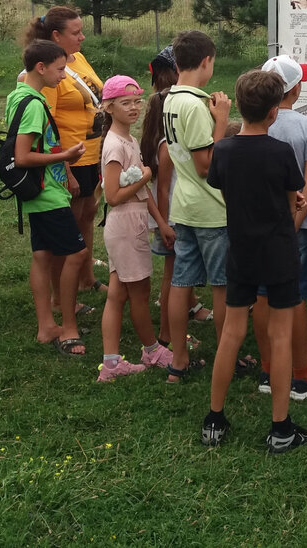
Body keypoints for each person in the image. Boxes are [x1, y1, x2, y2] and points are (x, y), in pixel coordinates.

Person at [202, 70, 307, 453]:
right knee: (279, 336)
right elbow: (288, 198)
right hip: (279, 252)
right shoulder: (281, 152)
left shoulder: (226, 150)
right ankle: (280, 427)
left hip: (241, 251)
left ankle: (214, 418)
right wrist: (295, 200)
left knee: (232, 332)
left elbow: (221, 180)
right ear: (273, 113)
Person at [6, 40, 90, 356]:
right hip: (46, 194)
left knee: (42, 256)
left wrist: (64, 166)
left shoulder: (20, 96)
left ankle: (46, 327)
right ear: (41, 68)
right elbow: (23, 156)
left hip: (42, 191)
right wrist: (65, 157)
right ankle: (68, 326)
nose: (64, 75)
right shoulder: (33, 104)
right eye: (59, 69)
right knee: (77, 254)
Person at [22, 8, 107, 310]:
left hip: (92, 154)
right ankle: (60, 296)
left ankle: (85, 278)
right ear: (56, 36)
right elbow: (50, 124)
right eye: (76, 32)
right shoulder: (53, 73)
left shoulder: (78, 59)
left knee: (86, 216)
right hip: (70, 160)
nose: (82, 37)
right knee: (67, 230)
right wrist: (66, 170)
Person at [260, 55, 307, 401]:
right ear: (297, 88)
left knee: (261, 294)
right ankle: (302, 375)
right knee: (295, 296)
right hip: (297, 228)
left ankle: (267, 369)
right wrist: (295, 223)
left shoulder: (257, 125)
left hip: (260, 224)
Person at [161, 30, 232, 383]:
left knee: (181, 283)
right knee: (221, 285)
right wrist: (220, 121)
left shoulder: (171, 98)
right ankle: (225, 356)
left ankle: (179, 360)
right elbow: (207, 165)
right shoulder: (195, 104)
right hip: (209, 207)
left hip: (183, 205)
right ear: (206, 61)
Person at [97, 75, 176, 381]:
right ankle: (152, 349)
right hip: (125, 226)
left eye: (136, 101)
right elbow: (114, 196)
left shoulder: (129, 140)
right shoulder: (115, 146)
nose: (133, 108)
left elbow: (143, 193)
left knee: (117, 294)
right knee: (140, 293)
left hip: (134, 223)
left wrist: (160, 222)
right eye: (125, 103)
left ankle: (112, 362)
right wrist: (145, 177)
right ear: (108, 107)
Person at [140, 46, 209, 348]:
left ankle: (188, 309)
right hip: (174, 215)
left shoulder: (158, 109)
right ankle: (168, 334)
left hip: (171, 212)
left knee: (180, 273)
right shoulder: (166, 142)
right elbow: (165, 186)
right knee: (173, 275)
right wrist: (165, 225)